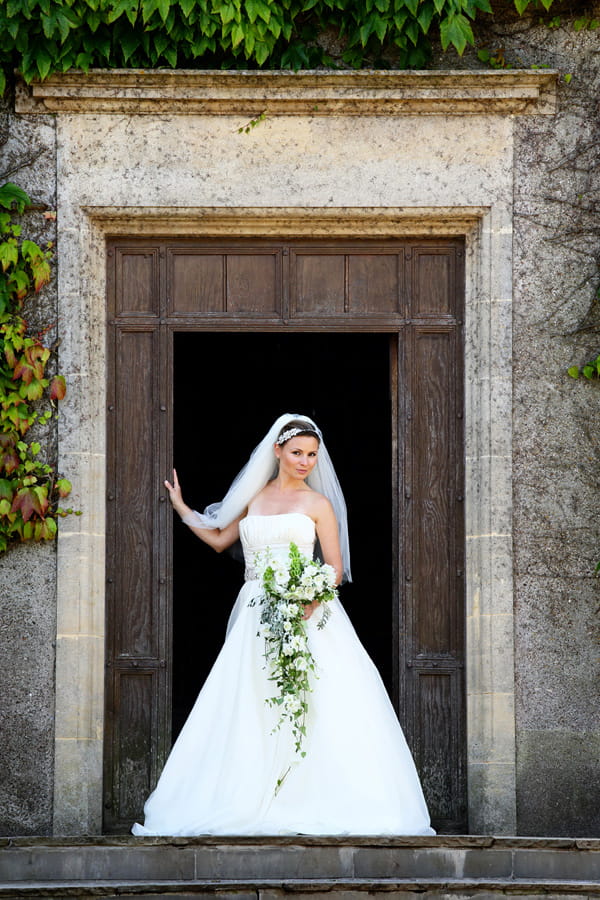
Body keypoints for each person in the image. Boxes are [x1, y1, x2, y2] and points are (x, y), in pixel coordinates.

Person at [132, 413, 434, 836]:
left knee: (318, 703)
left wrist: (312, 595)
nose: (305, 461)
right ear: (277, 451)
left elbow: (334, 566)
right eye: (297, 453)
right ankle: (244, 796)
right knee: (250, 700)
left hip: (306, 614)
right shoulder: (254, 497)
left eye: (312, 454)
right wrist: (183, 508)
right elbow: (220, 540)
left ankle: (314, 796)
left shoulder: (318, 504)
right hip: (256, 613)